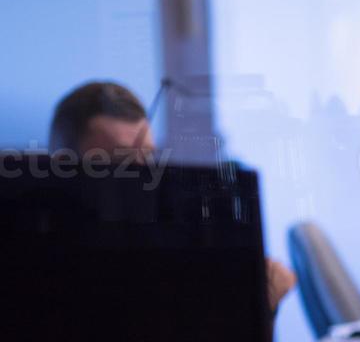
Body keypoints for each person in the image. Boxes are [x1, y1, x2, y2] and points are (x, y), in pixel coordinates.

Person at [48, 81, 297, 312]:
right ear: (62, 165)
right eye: (120, 162)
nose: (142, 177)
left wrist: (259, 305)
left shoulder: (165, 234)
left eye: (147, 157)